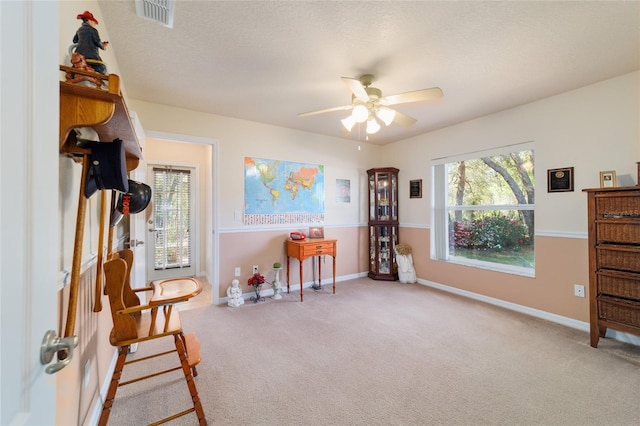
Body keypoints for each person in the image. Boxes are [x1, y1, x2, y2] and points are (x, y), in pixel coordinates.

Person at [73, 11, 109, 75]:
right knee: (103, 69)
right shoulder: (93, 30)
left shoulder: (79, 29)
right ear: (89, 20)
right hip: (91, 56)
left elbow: (74, 40)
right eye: (93, 21)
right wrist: (104, 46)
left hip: (79, 56)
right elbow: (97, 42)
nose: (94, 24)